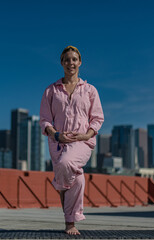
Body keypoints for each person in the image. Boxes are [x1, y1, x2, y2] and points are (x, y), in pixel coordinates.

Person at [39, 46, 104, 235]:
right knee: (78, 179)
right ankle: (70, 223)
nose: (71, 63)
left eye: (74, 59)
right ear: (61, 63)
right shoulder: (51, 90)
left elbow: (97, 118)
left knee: (67, 164)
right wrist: (56, 134)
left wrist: (87, 135)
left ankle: (67, 212)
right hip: (57, 141)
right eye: (67, 60)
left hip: (82, 141)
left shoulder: (90, 90)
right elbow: (44, 119)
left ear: (80, 62)